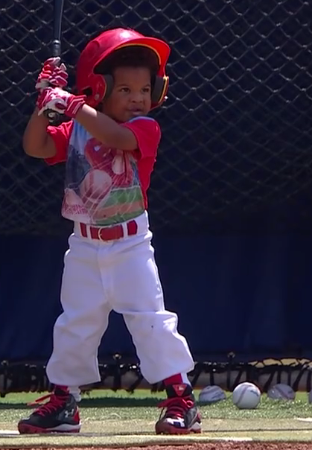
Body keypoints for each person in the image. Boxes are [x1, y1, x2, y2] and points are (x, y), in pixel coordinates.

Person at [19, 28, 200, 436]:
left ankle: (180, 398)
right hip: (84, 244)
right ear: (99, 89)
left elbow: (115, 136)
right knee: (75, 324)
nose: (138, 98)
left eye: (144, 89)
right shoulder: (77, 128)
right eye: (125, 89)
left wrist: (73, 104)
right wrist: (47, 102)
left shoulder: (144, 128)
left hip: (130, 244)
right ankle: (65, 400)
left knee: (151, 320)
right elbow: (36, 146)